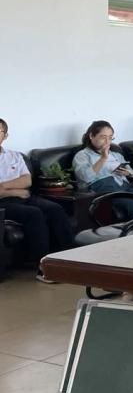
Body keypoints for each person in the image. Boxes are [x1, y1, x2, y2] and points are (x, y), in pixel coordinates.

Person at [0, 118, 73, 281]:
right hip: (3, 203)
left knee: (55, 209)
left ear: (5, 135)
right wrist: (16, 190)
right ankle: (43, 268)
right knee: (34, 214)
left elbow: (27, 181)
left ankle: (69, 260)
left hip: (24, 196)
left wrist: (4, 186)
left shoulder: (14, 156)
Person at [72, 120, 133, 220]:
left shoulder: (116, 154)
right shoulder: (83, 155)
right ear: (91, 136)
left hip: (126, 187)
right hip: (105, 192)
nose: (107, 141)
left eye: (110, 137)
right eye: (103, 137)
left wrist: (128, 173)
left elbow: (131, 171)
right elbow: (85, 177)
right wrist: (103, 158)